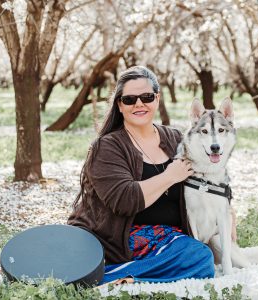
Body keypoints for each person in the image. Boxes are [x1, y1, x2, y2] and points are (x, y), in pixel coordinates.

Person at [68, 66, 215, 284]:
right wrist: (169, 176)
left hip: (169, 238)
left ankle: (121, 275)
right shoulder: (107, 147)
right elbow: (125, 200)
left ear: (157, 99)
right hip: (116, 240)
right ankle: (100, 276)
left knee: (199, 257)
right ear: (119, 105)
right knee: (199, 258)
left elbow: (206, 179)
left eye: (146, 97)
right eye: (129, 99)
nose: (139, 104)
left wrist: (227, 213)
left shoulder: (174, 138)